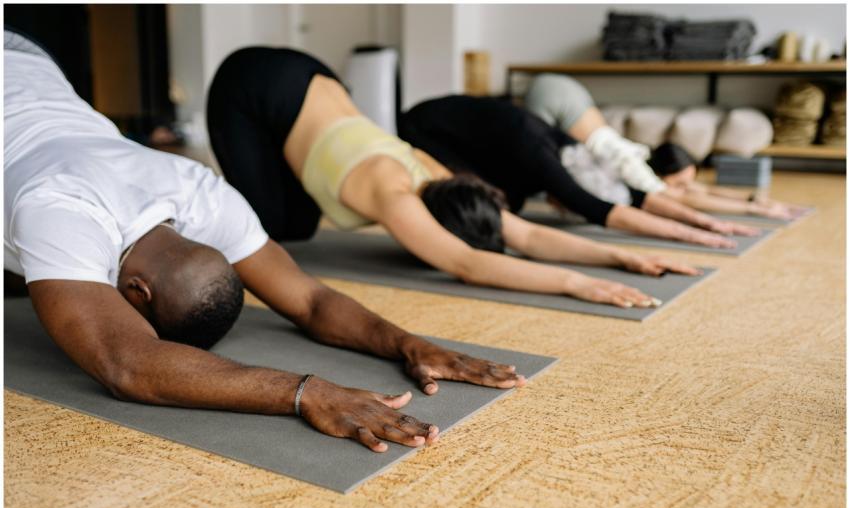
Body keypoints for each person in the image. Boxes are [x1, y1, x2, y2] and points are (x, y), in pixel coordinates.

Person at [3, 31, 526, 454]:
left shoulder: (200, 192)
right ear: (136, 293)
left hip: (31, 69)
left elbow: (313, 301)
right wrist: (306, 393)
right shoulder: (62, 211)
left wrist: (408, 343)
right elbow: (130, 363)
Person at [207, 47, 701, 312]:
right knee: (275, 229)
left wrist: (619, 255)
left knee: (300, 222)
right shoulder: (391, 190)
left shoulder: (441, 176)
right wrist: (576, 284)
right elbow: (468, 263)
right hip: (247, 82)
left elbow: (523, 233)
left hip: (311, 73)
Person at [398, 94, 760, 248]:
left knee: (515, 200)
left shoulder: (572, 150)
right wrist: (690, 236)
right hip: (422, 126)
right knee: (488, 213)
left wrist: (707, 222)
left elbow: (636, 197)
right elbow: (604, 211)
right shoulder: (546, 163)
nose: (569, 209)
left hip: (490, 135)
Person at [524, 73, 805, 221]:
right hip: (551, 98)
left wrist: (751, 199)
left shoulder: (645, 155)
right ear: (665, 174)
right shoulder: (634, 167)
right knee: (535, 160)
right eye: (680, 182)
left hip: (567, 93)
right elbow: (682, 198)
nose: (685, 186)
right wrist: (753, 213)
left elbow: (697, 189)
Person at [647, 143, 809, 220]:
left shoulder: (669, 176)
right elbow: (690, 200)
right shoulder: (645, 179)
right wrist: (753, 209)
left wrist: (756, 199)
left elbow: (706, 190)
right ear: (660, 173)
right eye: (680, 183)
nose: (686, 186)